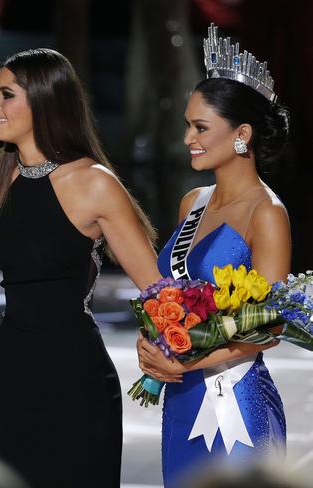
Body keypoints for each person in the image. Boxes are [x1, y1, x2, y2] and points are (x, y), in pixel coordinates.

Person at [0, 48, 160, 487]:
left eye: (6, 95)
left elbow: (157, 289)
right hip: (14, 368)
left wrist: (171, 348)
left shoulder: (94, 184)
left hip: (75, 375)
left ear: (43, 100)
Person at [136, 24, 291, 488]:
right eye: (188, 124)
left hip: (234, 401)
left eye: (200, 127)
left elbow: (270, 326)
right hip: (181, 395)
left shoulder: (267, 213)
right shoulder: (193, 202)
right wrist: (156, 341)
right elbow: (174, 294)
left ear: (241, 133)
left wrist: (185, 361)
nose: (187, 137)